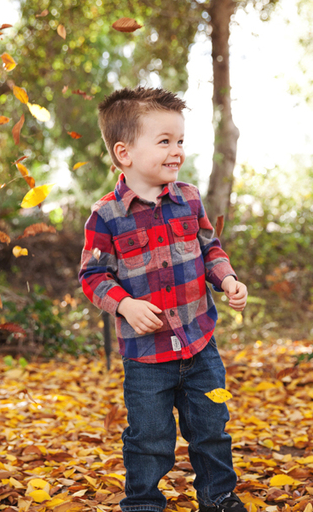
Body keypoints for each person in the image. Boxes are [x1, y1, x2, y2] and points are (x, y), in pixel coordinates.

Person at [78, 86, 249, 512]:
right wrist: (125, 304)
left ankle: (217, 496)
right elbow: (93, 275)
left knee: (211, 427)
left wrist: (226, 280)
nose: (177, 151)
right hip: (146, 356)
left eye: (180, 141)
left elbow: (211, 248)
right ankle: (143, 502)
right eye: (165, 141)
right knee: (149, 436)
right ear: (124, 153)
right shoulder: (106, 216)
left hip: (199, 343)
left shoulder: (189, 199)